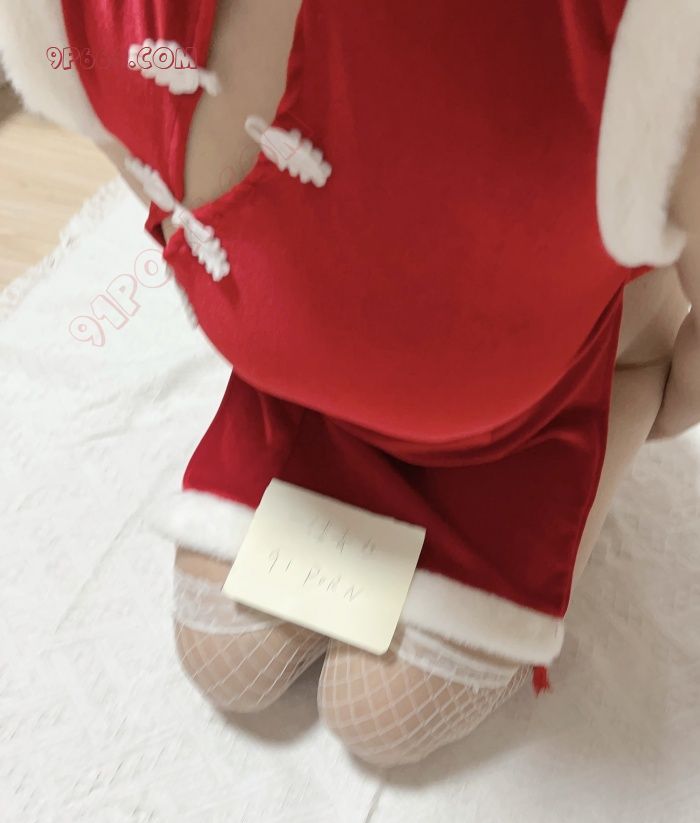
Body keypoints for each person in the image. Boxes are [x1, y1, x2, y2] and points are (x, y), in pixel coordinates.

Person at [1, 0, 698, 767]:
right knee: (225, 657)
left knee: (381, 716)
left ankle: (616, 366)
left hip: (534, 415)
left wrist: (666, 383)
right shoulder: (84, 23)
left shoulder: (627, 31)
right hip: (301, 399)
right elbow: (122, 149)